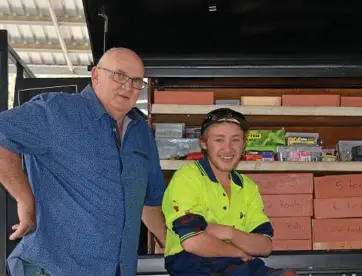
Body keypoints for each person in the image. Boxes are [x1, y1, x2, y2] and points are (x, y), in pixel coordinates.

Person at [1, 47, 167, 276]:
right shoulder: (56, 111)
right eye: (119, 75)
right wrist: (24, 200)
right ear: (96, 75)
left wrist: (173, 247)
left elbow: (148, 203)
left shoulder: (141, 132)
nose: (128, 86)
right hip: (54, 268)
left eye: (137, 81)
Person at [162, 108, 296, 276]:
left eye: (235, 140)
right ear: (203, 143)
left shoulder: (248, 187)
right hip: (192, 263)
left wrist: (229, 233)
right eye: (219, 140)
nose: (228, 149)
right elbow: (193, 242)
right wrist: (239, 251)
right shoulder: (187, 178)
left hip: (239, 267)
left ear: (244, 144)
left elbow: (264, 245)